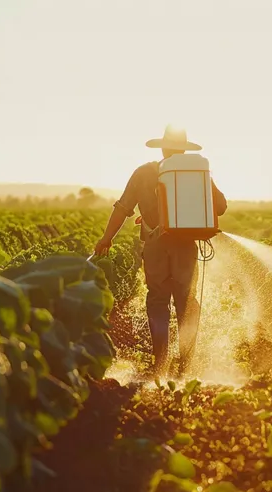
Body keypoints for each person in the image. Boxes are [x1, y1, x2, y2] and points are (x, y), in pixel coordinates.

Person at [93, 126, 227, 379]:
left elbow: (122, 208)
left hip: (155, 247)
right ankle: (185, 366)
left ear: (163, 148)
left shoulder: (144, 172)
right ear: (184, 150)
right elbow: (220, 207)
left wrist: (106, 239)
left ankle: (160, 364)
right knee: (186, 302)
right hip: (186, 247)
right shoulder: (198, 173)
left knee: (157, 302)